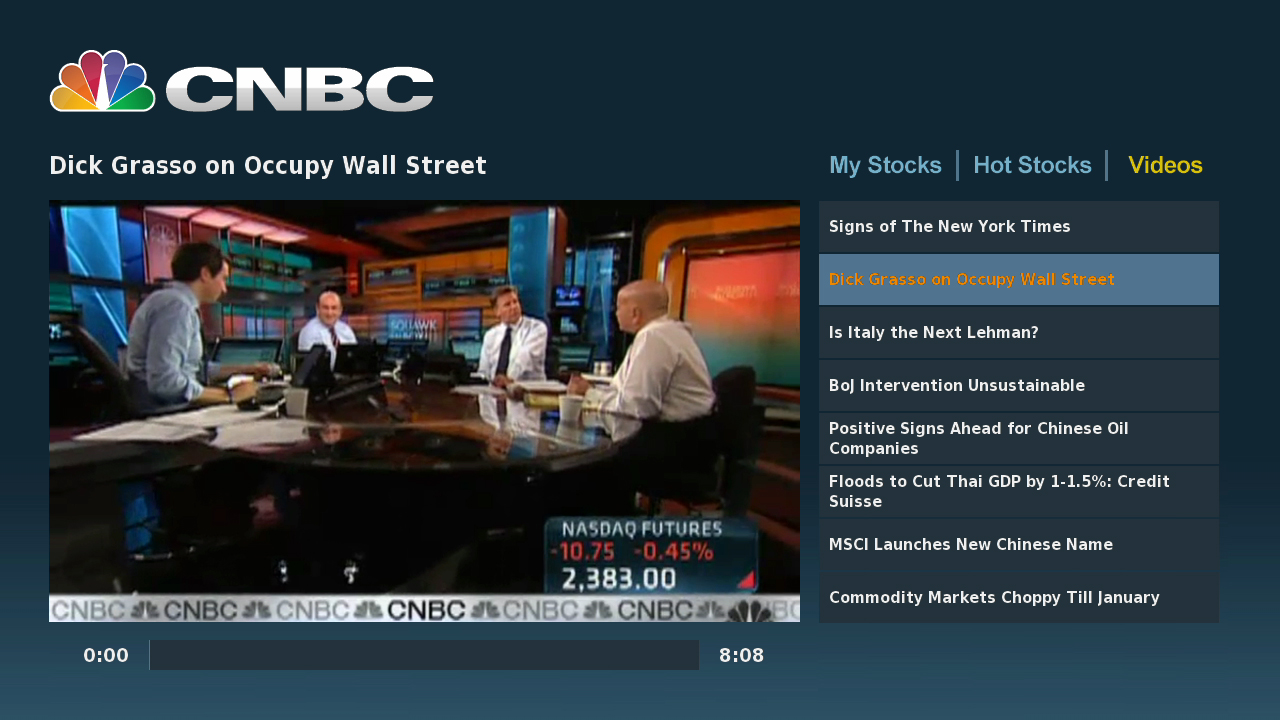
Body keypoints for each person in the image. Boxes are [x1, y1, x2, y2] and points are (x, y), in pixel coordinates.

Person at [564, 279, 718, 511]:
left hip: (671, 447)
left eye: (618, 307)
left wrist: (590, 394)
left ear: (635, 313)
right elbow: (629, 394)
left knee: (580, 469)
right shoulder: (668, 333)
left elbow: (637, 407)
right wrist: (595, 393)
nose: (615, 313)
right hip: (686, 442)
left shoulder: (654, 338)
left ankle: (601, 528)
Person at [125, 243, 273, 412]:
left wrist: (249, 369)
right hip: (164, 411)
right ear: (205, 274)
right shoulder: (177, 307)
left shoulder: (172, 301)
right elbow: (164, 382)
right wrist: (227, 396)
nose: (224, 289)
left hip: (169, 406)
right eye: (223, 279)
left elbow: (196, 370)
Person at [477, 285, 548, 388]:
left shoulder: (536, 328)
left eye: (515, 302)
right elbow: (484, 370)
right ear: (497, 311)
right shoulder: (490, 336)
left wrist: (507, 379)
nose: (513, 307)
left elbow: (524, 358)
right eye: (507, 304)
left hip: (527, 391)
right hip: (494, 391)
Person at [297, 291, 357, 369]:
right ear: (317, 309)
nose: (329, 313)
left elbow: (355, 356)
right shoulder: (309, 332)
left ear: (340, 310)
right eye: (325, 308)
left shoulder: (346, 330)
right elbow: (310, 366)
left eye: (334, 308)